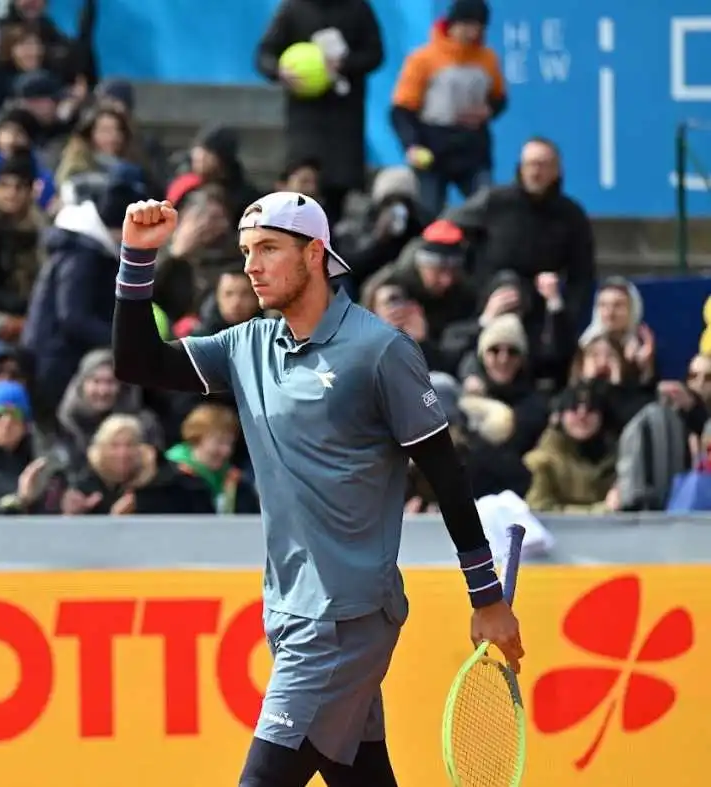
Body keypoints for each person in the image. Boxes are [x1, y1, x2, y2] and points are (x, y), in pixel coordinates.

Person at [110, 193, 523, 786]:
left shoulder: (381, 351)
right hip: (288, 611)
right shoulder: (247, 345)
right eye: (247, 252)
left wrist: (486, 598)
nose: (252, 265)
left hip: (344, 617)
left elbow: (446, 474)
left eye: (268, 249)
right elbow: (137, 362)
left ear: (314, 254)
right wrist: (138, 257)